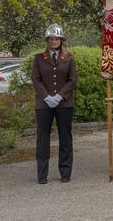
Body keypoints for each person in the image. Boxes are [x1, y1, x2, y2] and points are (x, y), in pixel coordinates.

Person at [31, 24, 77, 184]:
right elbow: (36, 80)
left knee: (65, 137)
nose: (54, 41)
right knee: (42, 138)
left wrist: (59, 96)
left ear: (61, 40)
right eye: (51, 38)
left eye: (57, 38)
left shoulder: (69, 58)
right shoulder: (39, 58)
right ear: (47, 40)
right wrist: (46, 97)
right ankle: (42, 174)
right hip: (44, 105)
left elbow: (72, 80)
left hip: (64, 104)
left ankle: (65, 172)